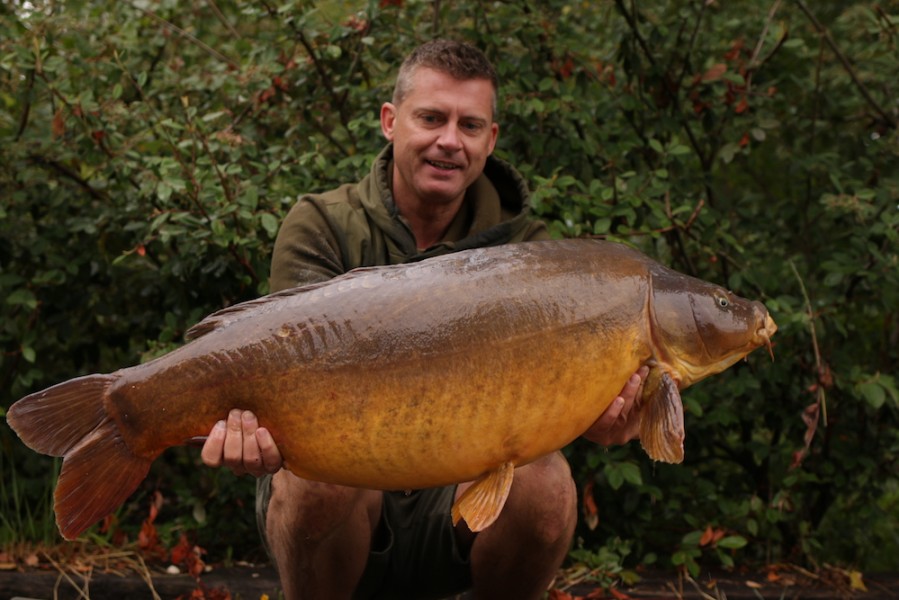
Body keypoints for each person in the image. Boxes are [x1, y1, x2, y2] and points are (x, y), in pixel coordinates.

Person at [201, 39, 647, 599]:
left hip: (460, 502)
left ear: (491, 138)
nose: (449, 141)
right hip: (343, 494)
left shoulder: (529, 254)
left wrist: (598, 414)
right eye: (431, 118)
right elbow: (284, 375)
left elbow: (546, 401)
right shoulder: (321, 224)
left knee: (547, 486)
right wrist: (253, 430)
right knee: (316, 483)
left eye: (469, 125)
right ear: (391, 122)